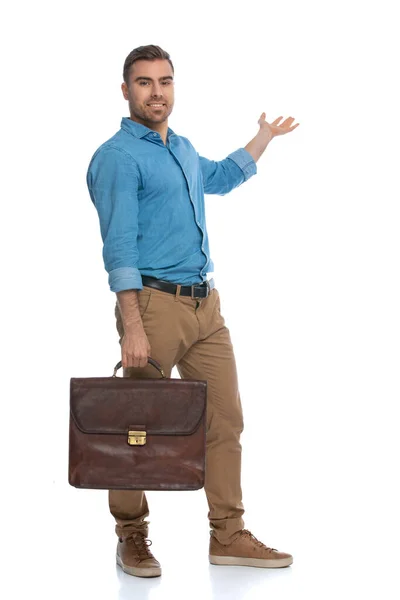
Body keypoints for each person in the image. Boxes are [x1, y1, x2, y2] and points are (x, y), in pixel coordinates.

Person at [86, 44, 299, 579]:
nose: (157, 92)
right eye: (144, 83)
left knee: (226, 421)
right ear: (125, 90)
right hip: (153, 309)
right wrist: (132, 325)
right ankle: (131, 538)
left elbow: (223, 177)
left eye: (165, 81)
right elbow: (119, 249)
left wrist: (263, 139)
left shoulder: (180, 148)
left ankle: (228, 534)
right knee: (137, 431)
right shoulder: (118, 157)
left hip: (207, 308)